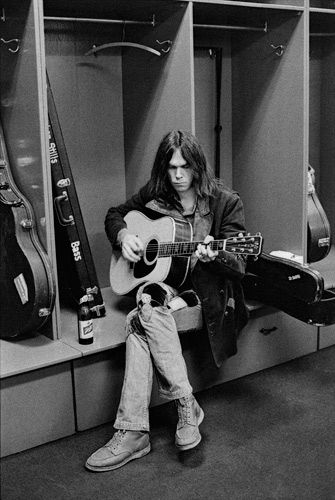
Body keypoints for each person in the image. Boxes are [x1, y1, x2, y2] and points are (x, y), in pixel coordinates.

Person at [85, 130, 249, 472]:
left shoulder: (224, 201)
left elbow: (239, 264)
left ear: (197, 167)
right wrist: (124, 235)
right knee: (148, 300)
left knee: (138, 321)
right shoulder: (158, 192)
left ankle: (132, 433)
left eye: (185, 168)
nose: (177, 175)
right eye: (172, 167)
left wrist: (213, 257)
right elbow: (116, 214)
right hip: (166, 287)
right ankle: (186, 404)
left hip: (206, 294)